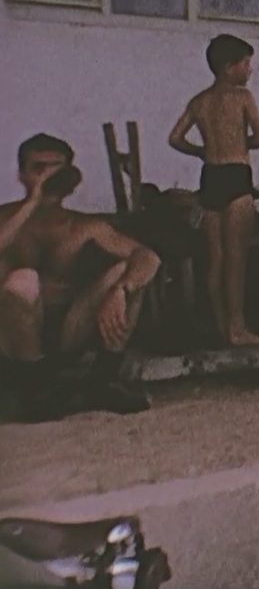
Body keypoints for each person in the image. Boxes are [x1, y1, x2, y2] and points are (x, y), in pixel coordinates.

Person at [0, 134, 161, 419]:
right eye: (38, 169)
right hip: (12, 340)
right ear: (21, 175)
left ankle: (104, 380)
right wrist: (32, 201)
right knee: (23, 280)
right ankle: (33, 392)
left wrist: (121, 289)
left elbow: (148, 257)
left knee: (127, 270)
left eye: (55, 170)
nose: (48, 177)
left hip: (67, 332)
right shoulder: (5, 219)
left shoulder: (83, 225)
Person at [168, 33, 259, 346]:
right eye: (245, 64)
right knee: (237, 257)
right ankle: (238, 327)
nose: (250, 70)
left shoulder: (199, 101)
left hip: (210, 177)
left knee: (216, 257)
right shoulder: (243, 97)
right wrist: (240, 143)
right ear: (229, 68)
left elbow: (175, 138)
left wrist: (203, 151)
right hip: (236, 175)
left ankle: (220, 326)